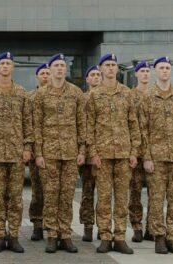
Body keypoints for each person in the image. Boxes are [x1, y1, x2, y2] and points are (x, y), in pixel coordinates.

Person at [85, 54, 141, 255]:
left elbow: (134, 124)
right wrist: (92, 152)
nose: (110, 68)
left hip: (124, 155)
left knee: (121, 198)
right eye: (107, 65)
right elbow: (88, 126)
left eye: (113, 65)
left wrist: (134, 151)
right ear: (100, 69)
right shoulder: (93, 95)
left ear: (117, 69)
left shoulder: (127, 94)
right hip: (102, 155)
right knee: (104, 198)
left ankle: (120, 237)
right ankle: (105, 236)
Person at [139, 56, 173, 255]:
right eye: (161, 68)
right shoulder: (147, 97)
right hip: (156, 158)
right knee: (156, 199)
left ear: (171, 71)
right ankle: (159, 237)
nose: (164, 71)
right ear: (155, 71)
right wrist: (146, 157)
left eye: (167, 68)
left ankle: (172, 237)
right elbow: (142, 130)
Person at [0, 52, 32, 254]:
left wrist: (27, 147)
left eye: (8, 63)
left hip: (17, 154)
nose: (4, 66)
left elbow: (28, 122)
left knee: (16, 198)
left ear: (13, 68)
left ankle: (14, 236)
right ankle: (0, 236)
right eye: (1, 63)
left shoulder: (21, 93)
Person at [34, 54, 83, 254]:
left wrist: (82, 150)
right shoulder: (41, 94)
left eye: (63, 66)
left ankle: (66, 234)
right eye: (56, 66)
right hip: (49, 153)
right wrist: (38, 152)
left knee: (67, 194)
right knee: (51, 194)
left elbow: (82, 123)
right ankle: (52, 235)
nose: (60, 69)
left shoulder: (76, 93)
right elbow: (36, 124)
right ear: (50, 69)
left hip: (71, 152)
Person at [128, 60, 152, 242]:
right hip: (136, 152)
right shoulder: (129, 96)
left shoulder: (154, 95)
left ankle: (152, 227)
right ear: (136, 74)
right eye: (141, 71)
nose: (145, 74)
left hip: (154, 152)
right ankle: (136, 226)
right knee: (135, 191)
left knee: (155, 193)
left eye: (147, 71)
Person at [79, 65, 101, 242]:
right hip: (87, 154)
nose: (96, 77)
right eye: (92, 75)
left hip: (104, 153)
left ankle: (103, 226)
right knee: (87, 192)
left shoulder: (105, 97)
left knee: (105, 193)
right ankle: (87, 226)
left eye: (98, 75)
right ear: (87, 79)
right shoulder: (82, 99)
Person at [28, 63, 50, 242]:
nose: (45, 76)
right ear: (37, 77)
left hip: (55, 151)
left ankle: (51, 225)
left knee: (53, 192)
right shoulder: (31, 97)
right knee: (37, 191)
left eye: (47, 73)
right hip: (36, 152)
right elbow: (27, 125)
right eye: (42, 73)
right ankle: (37, 224)